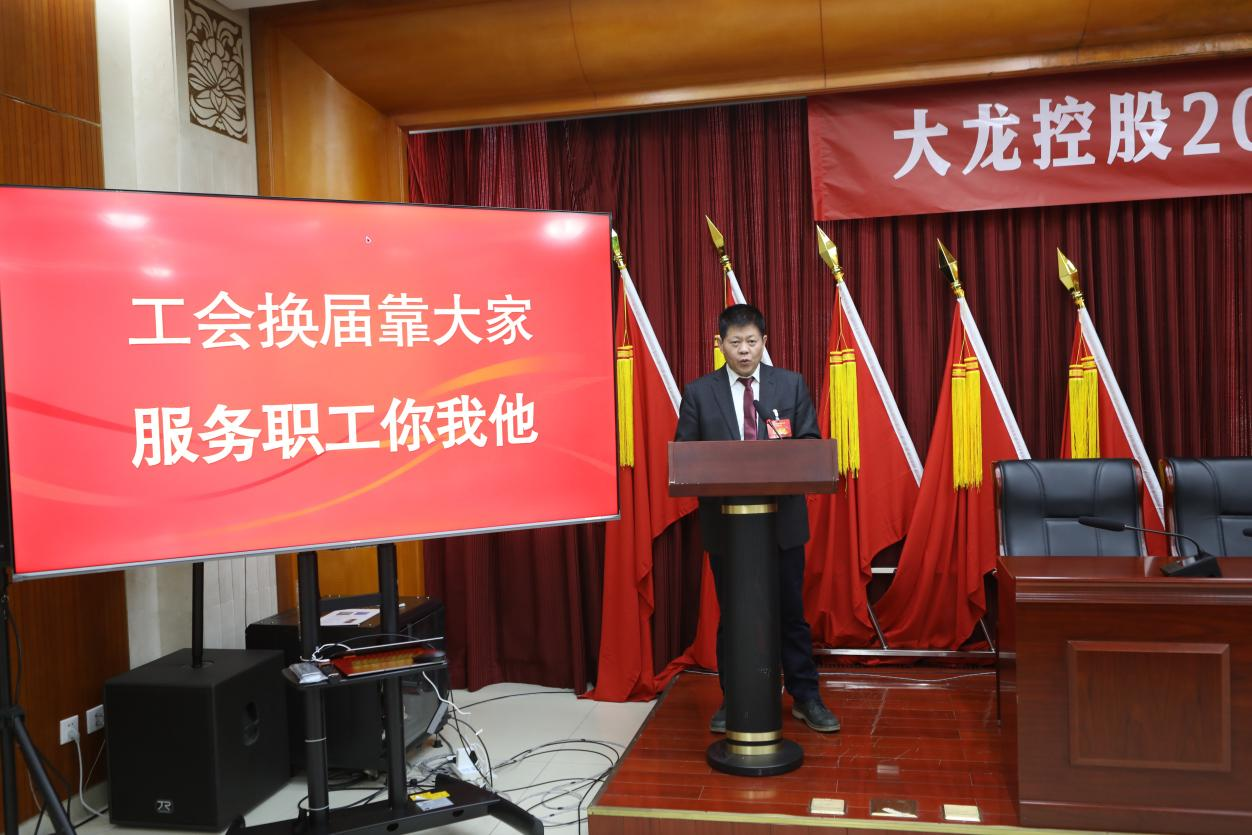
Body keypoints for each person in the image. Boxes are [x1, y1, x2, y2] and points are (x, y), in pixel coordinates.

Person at [674, 303, 840, 734]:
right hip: (728, 528)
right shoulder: (699, 393)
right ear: (720, 345)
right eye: (735, 343)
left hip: (782, 525)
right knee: (734, 615)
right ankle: (734, 699)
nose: (744, 351)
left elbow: (810, 444)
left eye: (751, 342)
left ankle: (805, 696)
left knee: (790, 614)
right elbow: (686, 456)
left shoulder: (790, 385)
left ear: (764, 342)